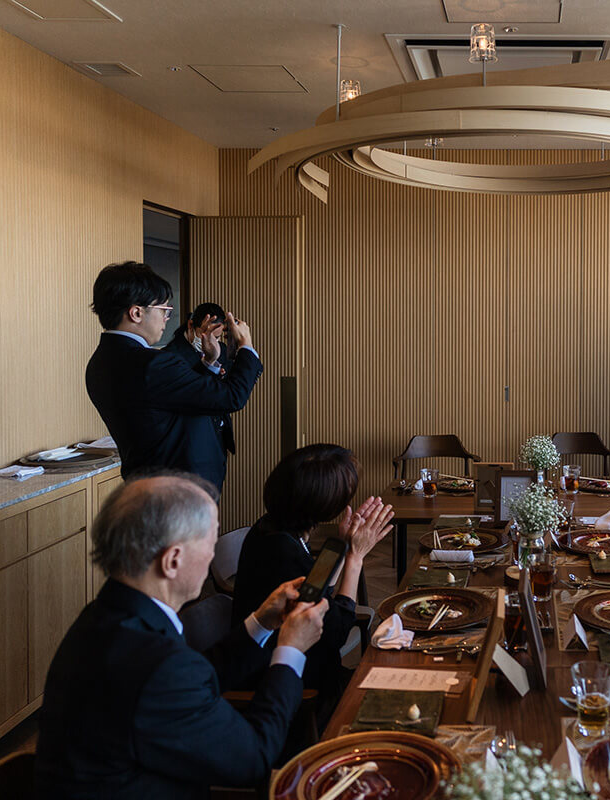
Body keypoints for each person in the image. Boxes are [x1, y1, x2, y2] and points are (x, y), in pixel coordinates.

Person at [36, 473, 330, 799]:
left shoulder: (104, 616)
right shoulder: (156, 665)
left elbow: (191, 683)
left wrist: (261, 622)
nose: (211, 555)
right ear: (173, 560)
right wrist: (290, 650)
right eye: (209, 542)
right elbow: (254, 759)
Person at [232, 444, 394, 712]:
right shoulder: (280, 551)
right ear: (327, 505)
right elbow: (335, 633)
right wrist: (355, 557)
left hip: (296, 666)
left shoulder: (271, 528)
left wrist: (342, 544)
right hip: (294, 688)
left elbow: (316, 585)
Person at [85, 262, 263, 494]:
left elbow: (171, 403)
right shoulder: (151, 363)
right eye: (164, 311)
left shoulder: (99, 362)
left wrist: (208, 363)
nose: (167, 319)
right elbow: (232, 397)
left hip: (146, 485)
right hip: (180, 491)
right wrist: (246, 347)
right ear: (137, 312)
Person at [162, 302, 239, 489]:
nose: (213, 342)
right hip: (190, 445)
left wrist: (236, 346)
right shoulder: (171, 357)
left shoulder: (220, 349)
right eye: (207, 334)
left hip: (217, 440)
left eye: (217, 337)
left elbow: (230, 386)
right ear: (191, 325)